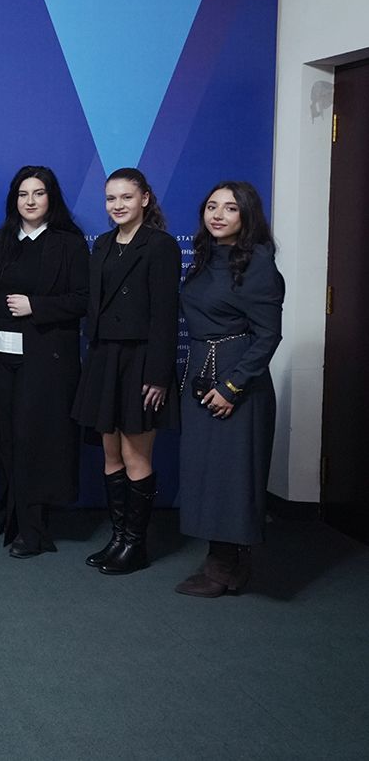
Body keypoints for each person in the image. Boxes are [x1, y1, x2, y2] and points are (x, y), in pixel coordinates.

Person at [174, 182, 284, 598]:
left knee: (231, 474)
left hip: (238, 381)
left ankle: (223, 567)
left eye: (230, 208)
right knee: (206, 471)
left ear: (247, 215)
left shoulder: (259, 263)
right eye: (212, 206)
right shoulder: (206, 258)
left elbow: (268, 335)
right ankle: (231, 561)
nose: (218, 214)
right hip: (202, 371)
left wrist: (232, 387)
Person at [0, 165, 88, 558]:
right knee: (6, 438)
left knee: (33, 440)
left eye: (38, 193)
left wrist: (36, 306)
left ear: (50, 198)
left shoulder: (69, 244)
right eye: (23, 194)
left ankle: (33, 528)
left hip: (44, 363)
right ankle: (13, 513)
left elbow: (83, 300)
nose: (30, 201)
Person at [72, 168, 181, 575]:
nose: (117, 205)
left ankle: (136, 545)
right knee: (111, 455)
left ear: (145, 199)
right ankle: (118, 539)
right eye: (111, 198)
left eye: (126, 197)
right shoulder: (102, 244)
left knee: (137, 456)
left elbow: (165, 314)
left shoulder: (161, 245)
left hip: (141, 361)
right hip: (104, 359)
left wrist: (157, 375)